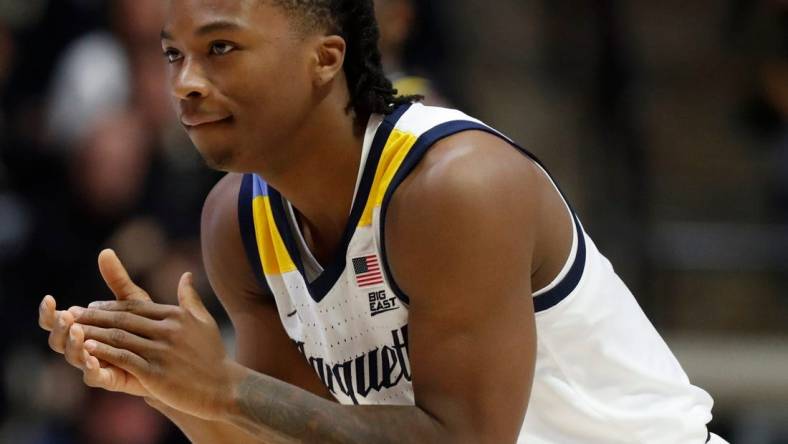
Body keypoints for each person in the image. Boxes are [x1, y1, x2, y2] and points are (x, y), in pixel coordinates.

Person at [38, 1, 727, 443]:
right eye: (173, 55)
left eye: (220, 48)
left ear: (325, 59)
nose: (185, 81)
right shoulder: (236, 222)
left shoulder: (456, 186)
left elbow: (466, 440)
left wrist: (224, 386)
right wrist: (170, 387)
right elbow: (282, 432)